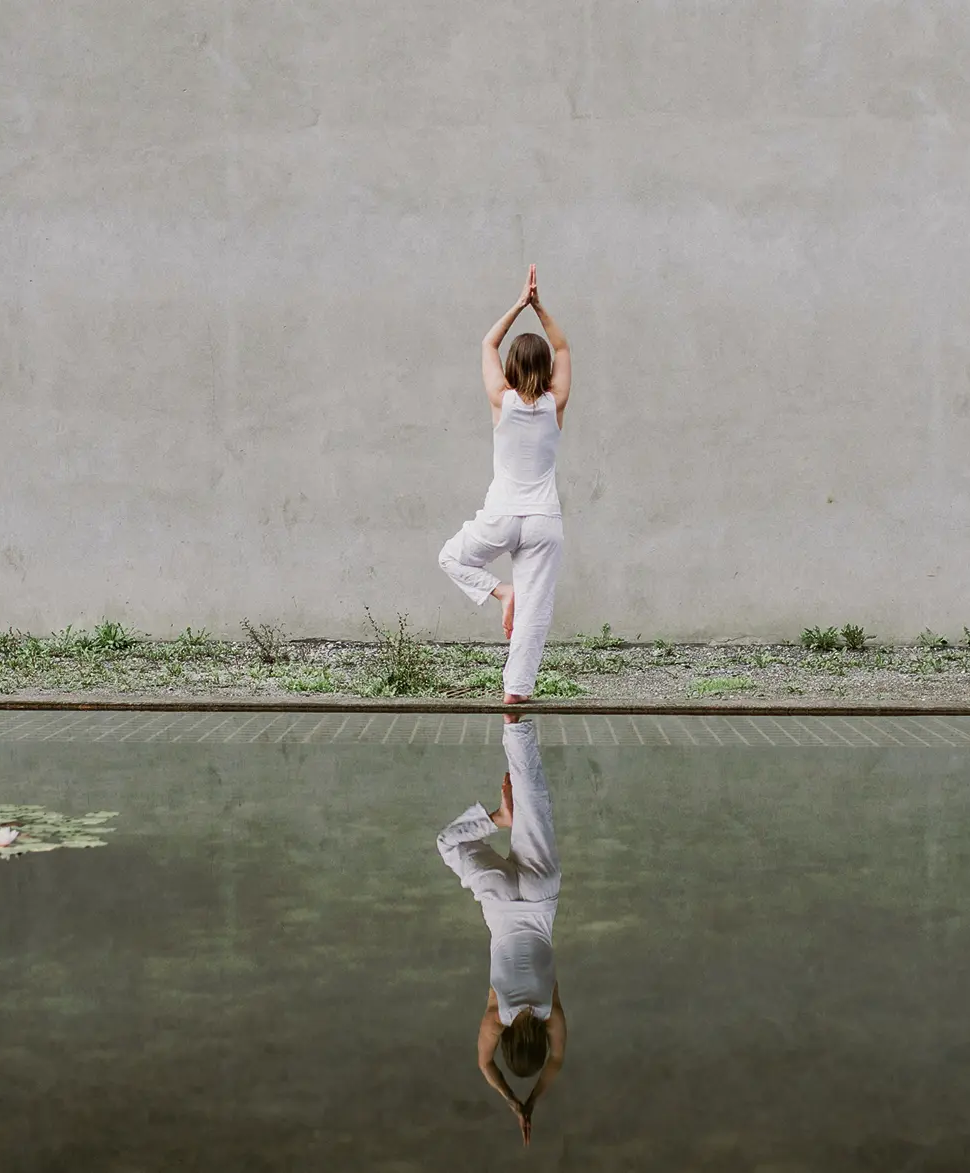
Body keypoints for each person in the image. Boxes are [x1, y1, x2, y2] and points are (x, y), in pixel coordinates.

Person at [438, 264, 572, 706]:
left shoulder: (503, 400)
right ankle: (515, 692)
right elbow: (563, 345)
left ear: (512, 367)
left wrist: (519, 305)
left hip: (501, 515)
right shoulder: (556, 405)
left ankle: (500, 592)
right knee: (535, 611)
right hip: (542, 522)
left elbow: (487, 342)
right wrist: (541, 307)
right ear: (547, 369)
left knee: (451, 557)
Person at [434, 714, 567, 1145]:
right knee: (449, 844)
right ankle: (497, 817)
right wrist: (513, 1100)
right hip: (501, 903)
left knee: (536, 801)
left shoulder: (551, 1011)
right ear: (508, 1042)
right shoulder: (498, 1016)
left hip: (541, 897)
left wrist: (533, 1098)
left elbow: (558, 1063)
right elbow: (483, 1066)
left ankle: (517, 724)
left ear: (541, 1043)